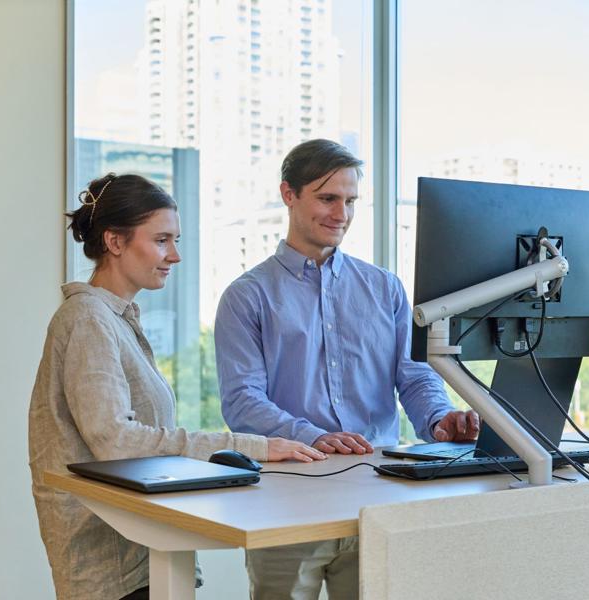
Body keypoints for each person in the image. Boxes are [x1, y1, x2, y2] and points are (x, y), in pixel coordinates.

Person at [29, 172, 326, 600]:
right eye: (163, 240)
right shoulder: (89, 319)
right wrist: (252, 446)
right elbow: (118, 441)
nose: (175, 255)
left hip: (137, 551)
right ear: (115, 242)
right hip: (109, 563)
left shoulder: (115, 319)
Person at [214, 140, 479, 599]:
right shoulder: (247, 295)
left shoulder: (385, 288)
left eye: (350, 200)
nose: (341, 213)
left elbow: (414, 376)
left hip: (380, 497)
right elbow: (241, 401)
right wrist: (311, 435)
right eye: (327, 198)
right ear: (288, 194)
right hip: (287, 501)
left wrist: (439, 420)